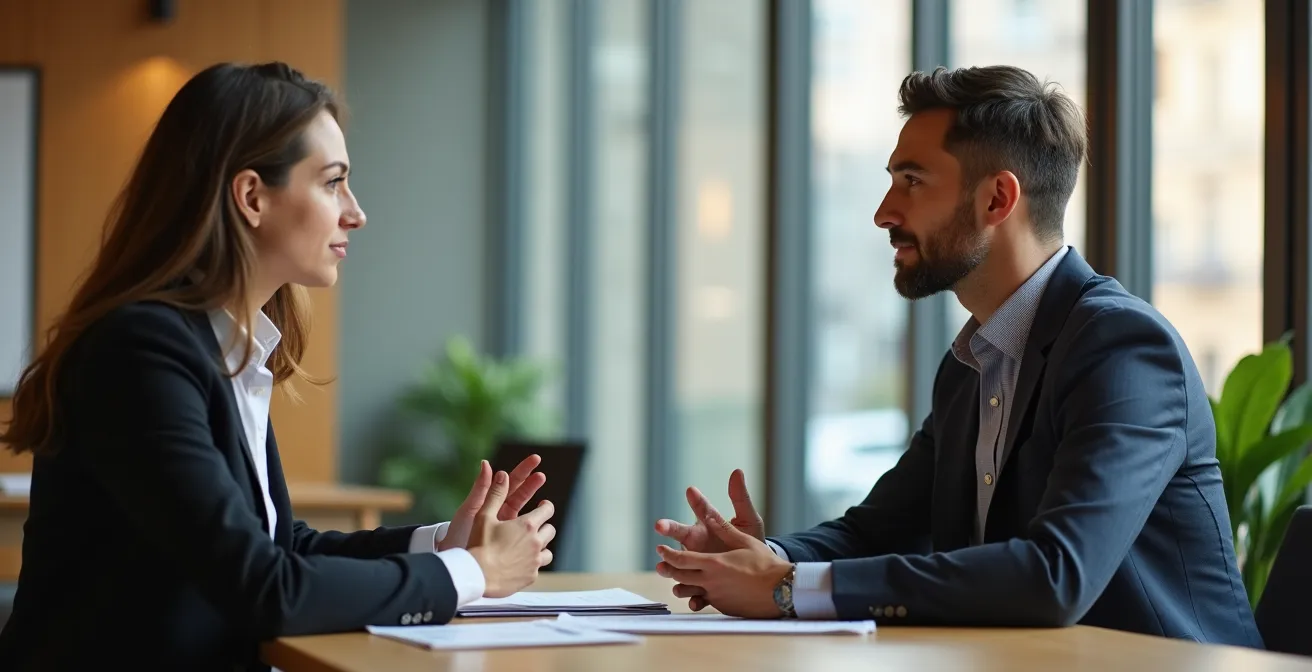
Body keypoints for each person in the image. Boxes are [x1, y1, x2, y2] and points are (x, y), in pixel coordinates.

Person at [653, 65, 1263, 648]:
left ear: (997, 199)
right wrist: (769, 559)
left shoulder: (1122, 347)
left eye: (912, 182)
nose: (884, 212)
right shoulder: (973, 362)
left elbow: (1055, 575)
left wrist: (786, 590)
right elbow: (879, 531)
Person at [0, 62, 555, 670]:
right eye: (332, 183)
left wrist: (442, 543)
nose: (356, 213)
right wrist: (469, 572)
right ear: (252, 197)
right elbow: (265, 589)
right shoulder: (138, 353)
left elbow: (282, 546)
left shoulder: (218, 345)